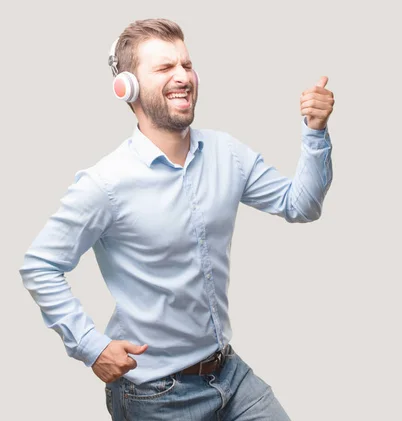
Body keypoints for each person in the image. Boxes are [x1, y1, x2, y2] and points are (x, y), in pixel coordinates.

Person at [19, 18, 333, 421]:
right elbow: (40, 264)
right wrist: (90, 346)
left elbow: (300, 204)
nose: (183, 77)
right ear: (126, 87)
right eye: (165, 68)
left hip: (228, 374)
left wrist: (315, 132)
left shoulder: (228, 154)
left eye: (186, 65)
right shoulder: (106, 183)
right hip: (156, 392)